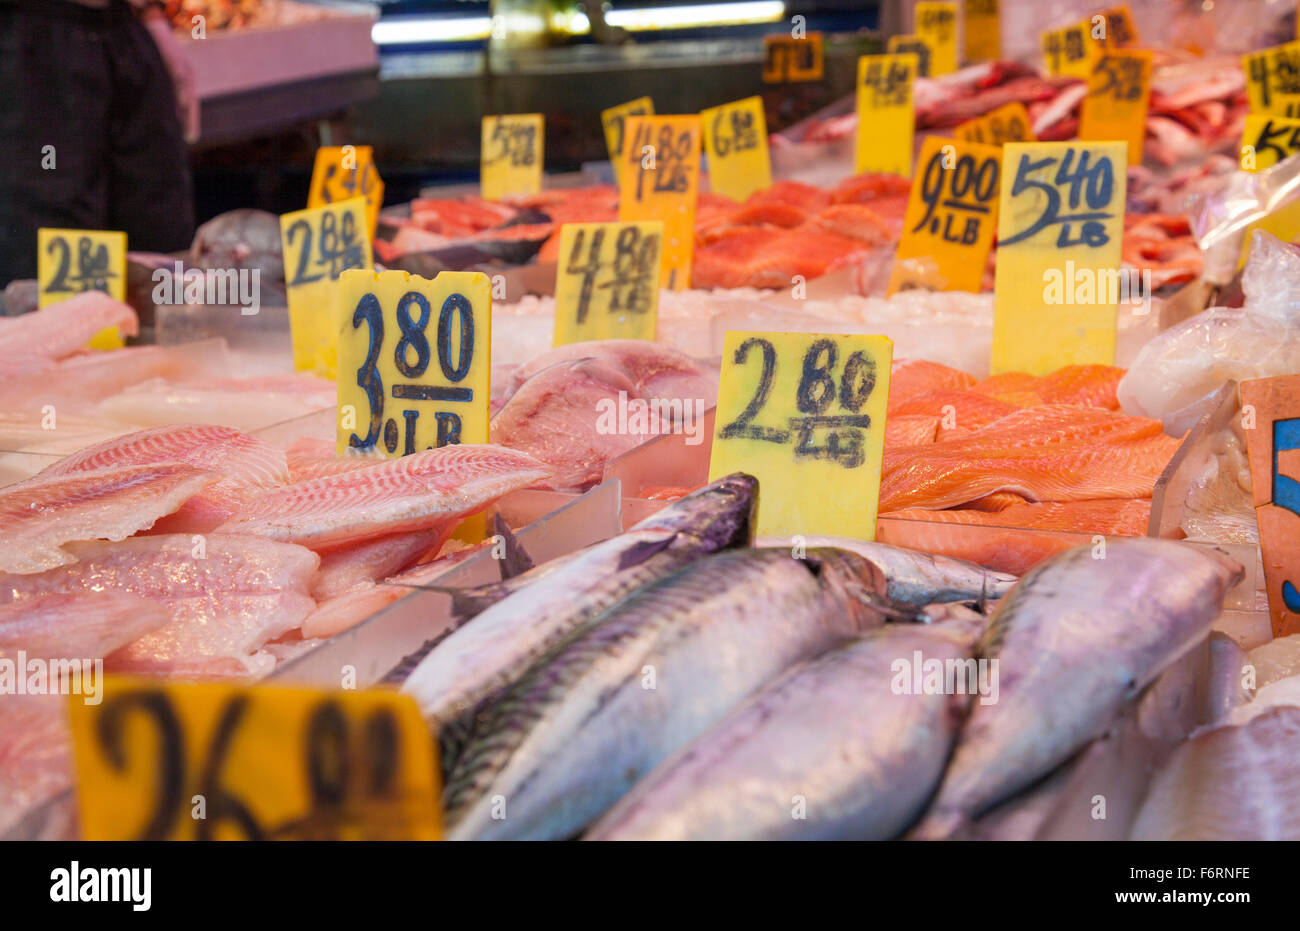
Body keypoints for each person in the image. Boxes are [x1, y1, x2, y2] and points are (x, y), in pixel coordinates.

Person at [0, 0, 198, 289]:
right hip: (31, 39)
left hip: (126, 28)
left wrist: (153, 20)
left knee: (163, 262)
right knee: (53, 275)